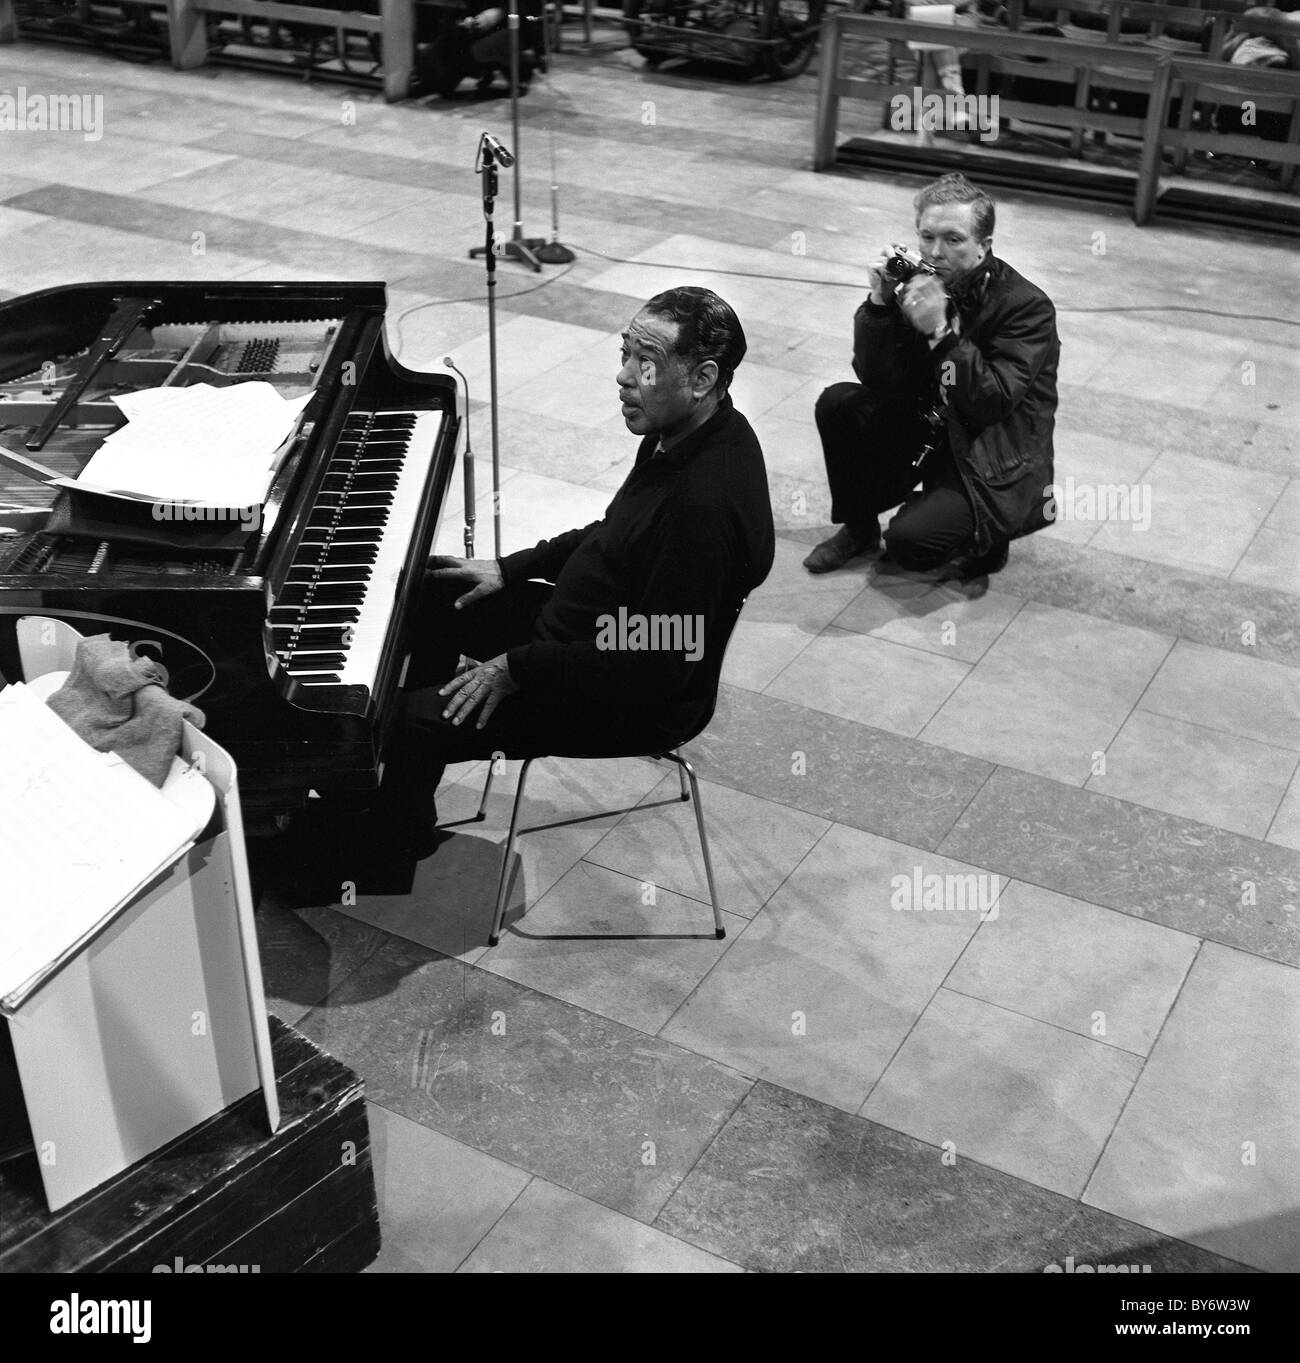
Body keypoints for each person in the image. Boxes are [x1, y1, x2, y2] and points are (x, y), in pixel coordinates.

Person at [370, 286, 774, 849]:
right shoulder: (681, 432)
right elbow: (613, 534)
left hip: (621, 695)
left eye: (647, 363)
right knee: (431, 596)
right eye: (625, 353)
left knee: (401, 719)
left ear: (703, 379)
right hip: (579, 634)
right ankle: (397, 810)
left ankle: (384, 844)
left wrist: (518, 668)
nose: (625, 376)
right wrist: (511, 569)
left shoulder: (701, 505)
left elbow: (663, 655)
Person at [803, 172, 1059, 581]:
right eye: (926, 237)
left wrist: (941, 333)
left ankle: (986, 534)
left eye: (953, 239)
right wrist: (880, 304)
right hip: (931, 426)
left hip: (988, 450)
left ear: (983, 245)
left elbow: (990, 401)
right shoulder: (921, 284)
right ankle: (860, 527)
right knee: (839, 402)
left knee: (909, 543)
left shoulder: (1026, 308)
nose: (935, 252)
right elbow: (874, 377)